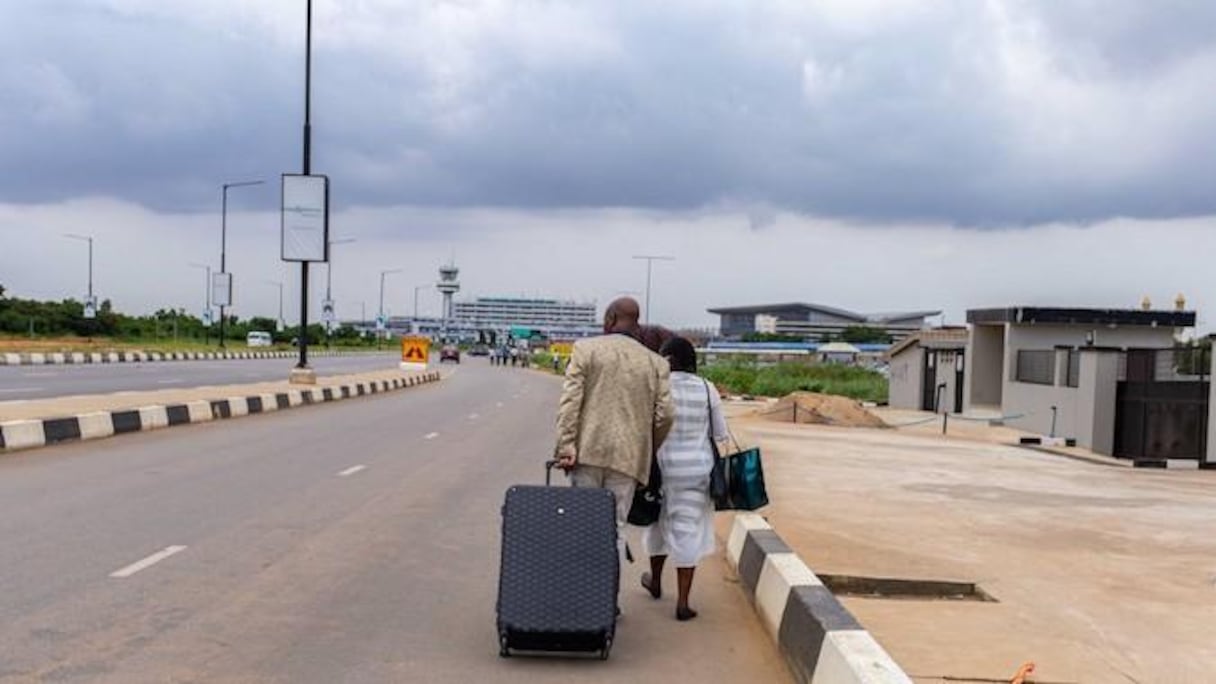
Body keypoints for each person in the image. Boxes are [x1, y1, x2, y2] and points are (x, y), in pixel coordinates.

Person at [555, 298, 674, 595]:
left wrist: (566, 446)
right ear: (636, 322)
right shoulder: (655, 362)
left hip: (586, 454)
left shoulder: (586, 349)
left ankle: (580, 598)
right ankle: (607, 602)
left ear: (609, 319)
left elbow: (571, 403)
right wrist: (645, 447)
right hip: (628, 459)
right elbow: (667, 415)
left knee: (583, 528)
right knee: (615, 529)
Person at [640, 336, 726, 621]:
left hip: (660, 469)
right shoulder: (707, 388)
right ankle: (683, 602)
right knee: (686, 528)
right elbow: (719, 433)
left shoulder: (657, 387)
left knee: (656, 523)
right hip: (696, 470)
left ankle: (655, 580)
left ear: (670, 360)